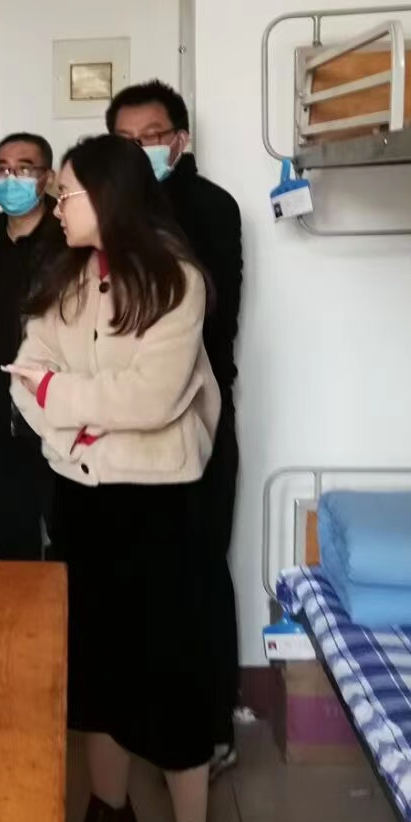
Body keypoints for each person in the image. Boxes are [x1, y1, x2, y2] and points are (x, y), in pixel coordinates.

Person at [7, 134, 222, 822]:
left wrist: (64, 398)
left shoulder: (176, 280)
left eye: (66, 192)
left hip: (156, 502)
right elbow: (24, 380)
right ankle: (110, 812)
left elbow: (152, 398)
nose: (55, 204)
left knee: (169, 667)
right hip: (82, 495)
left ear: (109, 196)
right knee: (95, 664)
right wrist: (76, 406)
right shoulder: (62, 278)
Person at [108, 80, 244, 774]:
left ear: (180, 140)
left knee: (199, 568)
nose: (140, 150)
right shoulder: (105, 210)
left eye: (153, 136)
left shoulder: (211, 206)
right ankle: (143, 724)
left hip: (197, 415)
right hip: (123, 424)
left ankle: (212, 726)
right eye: (125, 141)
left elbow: (209, 317)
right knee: (136, 577)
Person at [0, 133, 64, 561]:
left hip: (55, 415)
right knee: (13, 537)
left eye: (24, 169)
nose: (12, 179)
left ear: (47, 178)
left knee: (68, 534)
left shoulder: (68, 244)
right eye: (3, 169)